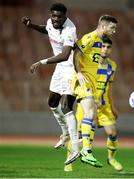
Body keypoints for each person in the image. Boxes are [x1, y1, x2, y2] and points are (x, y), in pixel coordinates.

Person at [21, 2, 79, 164]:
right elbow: (47, 29)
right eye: (53, 15)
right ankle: (65, 133)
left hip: (72, 68)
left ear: (65, 17)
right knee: (52, 102)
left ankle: (75, 148)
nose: (55, 19)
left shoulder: (70, 30)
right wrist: (31, 25)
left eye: (59, 17)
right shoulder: (50, 22)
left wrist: (41, 62)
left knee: (67, 106)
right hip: (60, 69)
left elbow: (65, 55)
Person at [64, 36, 123, 172]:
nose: (105, 49)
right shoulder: (90, 62)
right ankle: (69, 160)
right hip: (88, 101)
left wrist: (112, 106)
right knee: (77, 134)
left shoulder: (112, 65)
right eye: (103, 46)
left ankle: (111, 158)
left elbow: (110, 87)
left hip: (104, 104)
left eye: (108, 47)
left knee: (113, 133)